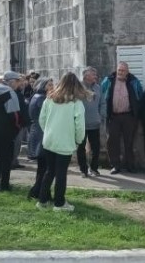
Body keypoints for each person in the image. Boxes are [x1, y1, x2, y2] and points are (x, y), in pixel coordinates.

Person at [37, 72, 87, 212]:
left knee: (50, 171)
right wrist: (79, 140)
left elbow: (42, 119)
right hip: (64, 142)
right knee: (61, 173)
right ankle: (59, 204)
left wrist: (48, 132)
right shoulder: (76, 103)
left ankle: (42, 201)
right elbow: (80, 125)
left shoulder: (50, 98)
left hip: (49, 141)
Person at [100, 61, 143, 174]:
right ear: (116, 70)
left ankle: (130, 165)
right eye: (119, 70)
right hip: (113, 116)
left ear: (127, 72)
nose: (120, 72)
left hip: (129, 116)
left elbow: (140, 95)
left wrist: (137, 112)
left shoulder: (134, 81)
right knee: (112, 141)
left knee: (129, 141)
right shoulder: (108, 80)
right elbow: (101, 94)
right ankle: (115, 165)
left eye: (123, 70)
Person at [0, 71, 24, 192]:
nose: (18, 84)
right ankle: (4, 185)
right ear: (11, 81)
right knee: (7, 159)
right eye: (17, 81)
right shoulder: (9, 93)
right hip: (6, 132)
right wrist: (17, 128)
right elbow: (14, 115)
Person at [26, 76, 53, 201]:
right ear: (43, 86)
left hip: (37, 132)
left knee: (43, 167)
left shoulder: (36, 96)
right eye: (49, 85)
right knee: (45, 167)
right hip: (41, 133)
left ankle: (40, 192)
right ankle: (37, 192)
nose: (52, 87)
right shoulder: (42, 99)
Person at [77, 66, 103, 177]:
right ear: (86, 76)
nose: (95, 76)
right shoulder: (78, 87)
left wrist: (101, 115)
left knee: (96, 148)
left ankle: (94, 168)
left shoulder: (98, 87)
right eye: (93, 74)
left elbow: (102, 102)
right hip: (81, 124)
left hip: (94, 123)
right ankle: (83, 170)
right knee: (81, 148)